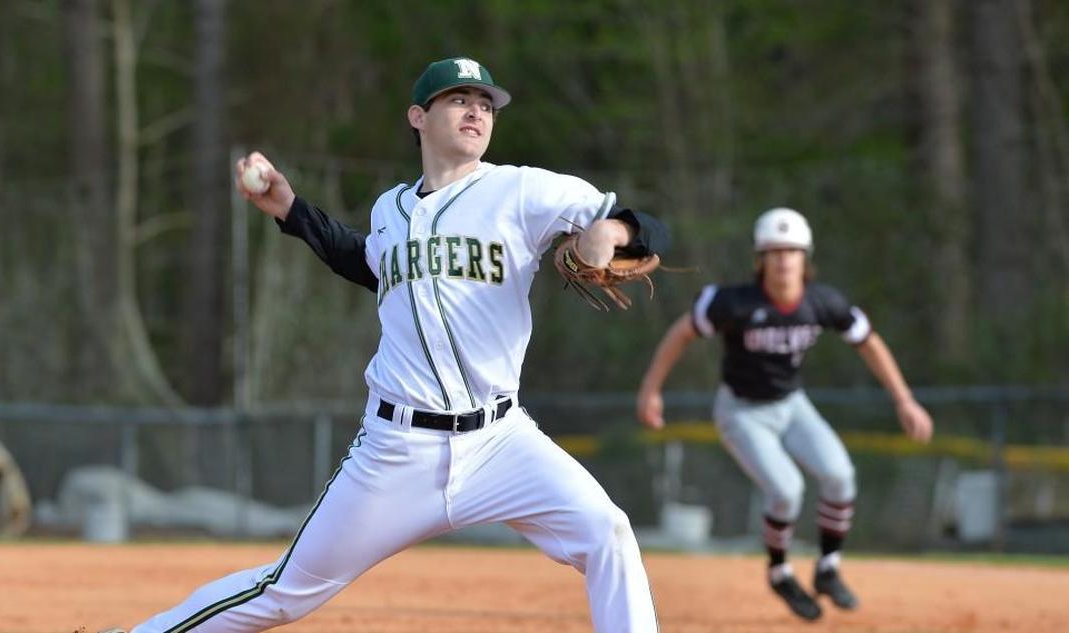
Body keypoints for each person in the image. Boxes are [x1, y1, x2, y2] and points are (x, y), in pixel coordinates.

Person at [120, 57, 668, 633]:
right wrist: (289, 207)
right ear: (418, 117)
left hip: (501, 442)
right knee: (283, 592)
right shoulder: (391, 209)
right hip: (398, 449)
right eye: (459, 100)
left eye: (485, 105)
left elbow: (652, 225)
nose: (477, 111)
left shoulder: (523, 190)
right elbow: (367, 262)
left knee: (608, 533)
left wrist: (614, 230)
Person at [635, 207, 933, 622]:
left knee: (840, 475)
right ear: (759, 259)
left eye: (791, 251)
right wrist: (651, 390)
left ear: (805, 258)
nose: (783, 260)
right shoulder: (733, 302)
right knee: (787, 490)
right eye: (773, 252)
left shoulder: (821, 302)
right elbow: (682, 332)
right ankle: (779, 571)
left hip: (792, 405)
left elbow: (869, 342)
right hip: (741, 411)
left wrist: (904, 399)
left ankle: (828, 568)